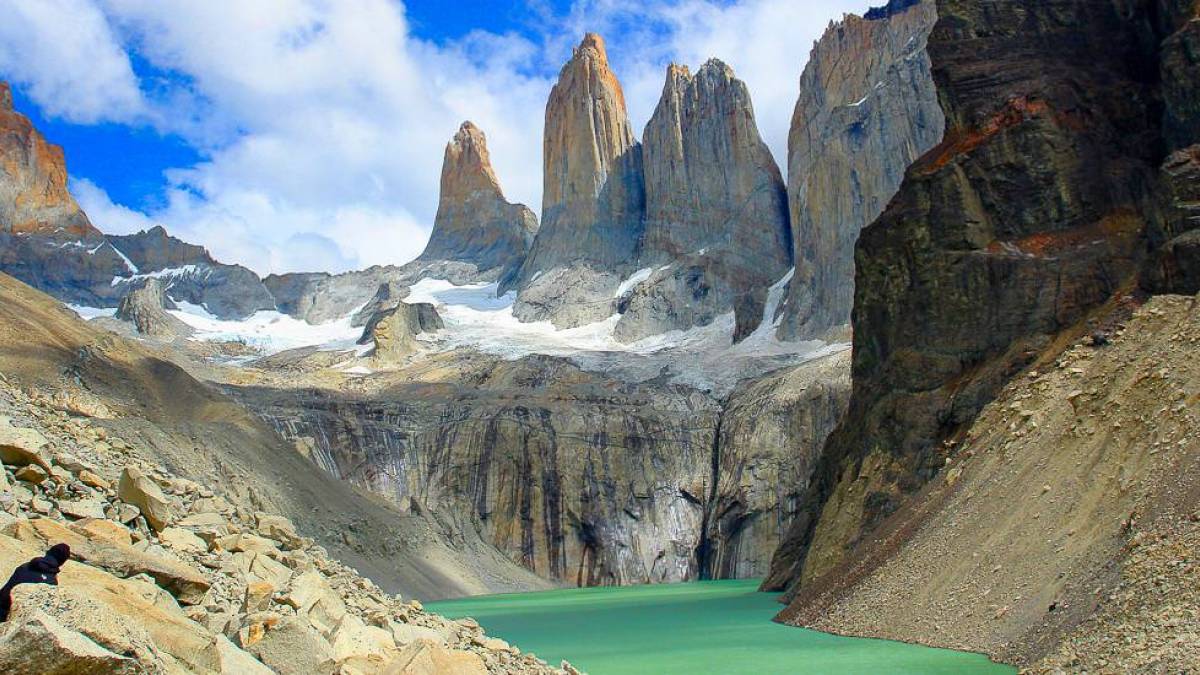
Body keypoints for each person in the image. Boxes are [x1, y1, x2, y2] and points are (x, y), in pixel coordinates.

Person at [0, 543, 71, 622]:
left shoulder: (25, 566)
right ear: (62, 562)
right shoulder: (50, 581)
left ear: (48, 552)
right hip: (9, 617)